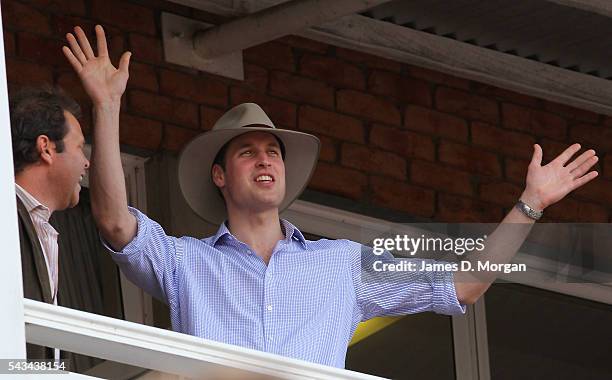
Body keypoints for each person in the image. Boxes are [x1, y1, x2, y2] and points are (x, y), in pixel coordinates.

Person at [62, 25, 599, 368]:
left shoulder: (340, 265)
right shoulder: (186, 262)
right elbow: (113, 222)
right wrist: (107, 108)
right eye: (246, 152)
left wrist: (530, 204)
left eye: (273, 151)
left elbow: (466, 282)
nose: (265, 159)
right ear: (220, 177)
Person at [11, 86, 90, 359]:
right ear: (46, 147)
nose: (86, 162)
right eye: (80, 147)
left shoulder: (39, 225)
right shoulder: (5, 214)